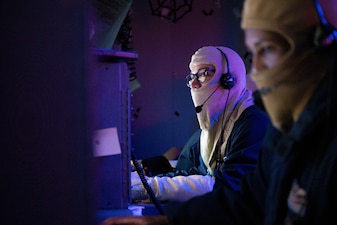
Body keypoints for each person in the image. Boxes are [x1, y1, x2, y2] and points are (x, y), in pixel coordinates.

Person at [101, 0, 337, 224]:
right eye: (253, 54)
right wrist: (168, 221)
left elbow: (227, 186)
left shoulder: (255, 122)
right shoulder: (283, 132)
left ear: (326, 44)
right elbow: (248, 200)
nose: (257, 69)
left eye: (267, 49)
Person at [131, 46, 269, 202]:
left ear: (229, 80)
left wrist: (151, 188)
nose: (194, 84)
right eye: (192, 77)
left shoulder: (253, 125)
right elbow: (187, 175)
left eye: (204, 74)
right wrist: (139, 183)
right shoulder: (204, 136)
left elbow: (229, 186)